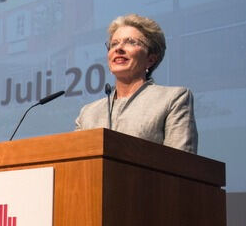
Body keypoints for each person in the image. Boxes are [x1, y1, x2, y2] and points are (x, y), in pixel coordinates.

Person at [75, 14, 198, 153]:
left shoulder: (173, 99)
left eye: (131, 42)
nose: (118, 48)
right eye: (114, 44)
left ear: (151, 59)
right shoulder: (88, 113)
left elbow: (181, 164)